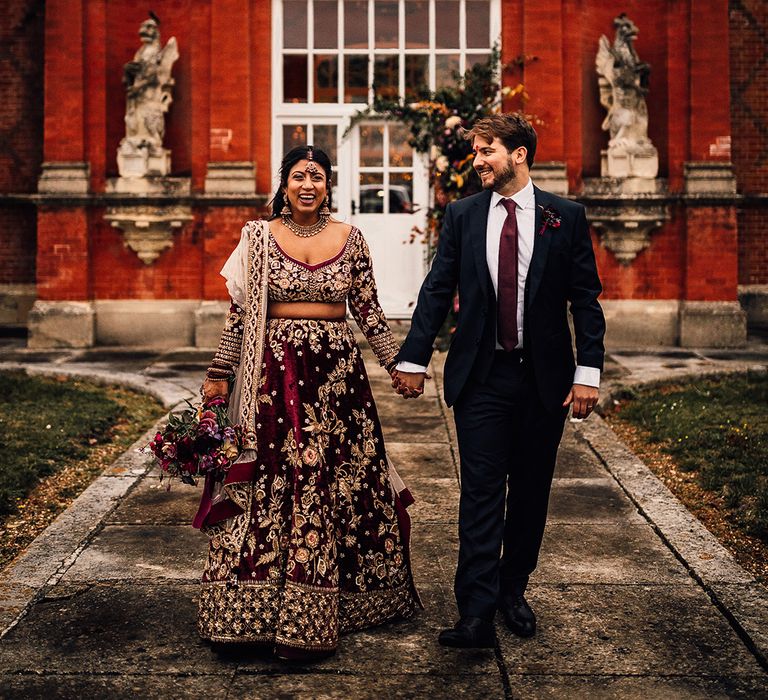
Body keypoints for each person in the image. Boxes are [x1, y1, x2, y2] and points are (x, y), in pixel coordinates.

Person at [195, 145, 419, 659]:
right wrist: (218, 376)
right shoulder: (257, 238)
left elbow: (369, 312)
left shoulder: (351, 239)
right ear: (285, 183)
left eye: (317, 176)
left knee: (342, 478)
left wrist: (398, 366)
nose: (308, 185)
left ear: (328, 185)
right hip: (275, 379)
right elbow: (239, 317)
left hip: (339, 383)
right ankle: (254, 613)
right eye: (299, 176)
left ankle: (332, 609)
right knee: (278, 478)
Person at [392, 114, 606, 648]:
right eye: (476, 150)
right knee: (482, 494)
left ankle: (514, 590)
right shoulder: (462, 215)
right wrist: (414, 360)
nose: (478, 159)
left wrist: (587, 373)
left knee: (531, 492)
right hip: (481, 379)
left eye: (487, 150)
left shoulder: (565, 216)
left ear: (519, 155)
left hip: (545, 381)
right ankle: (476, 612)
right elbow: (437, 289)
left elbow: (586, 300)